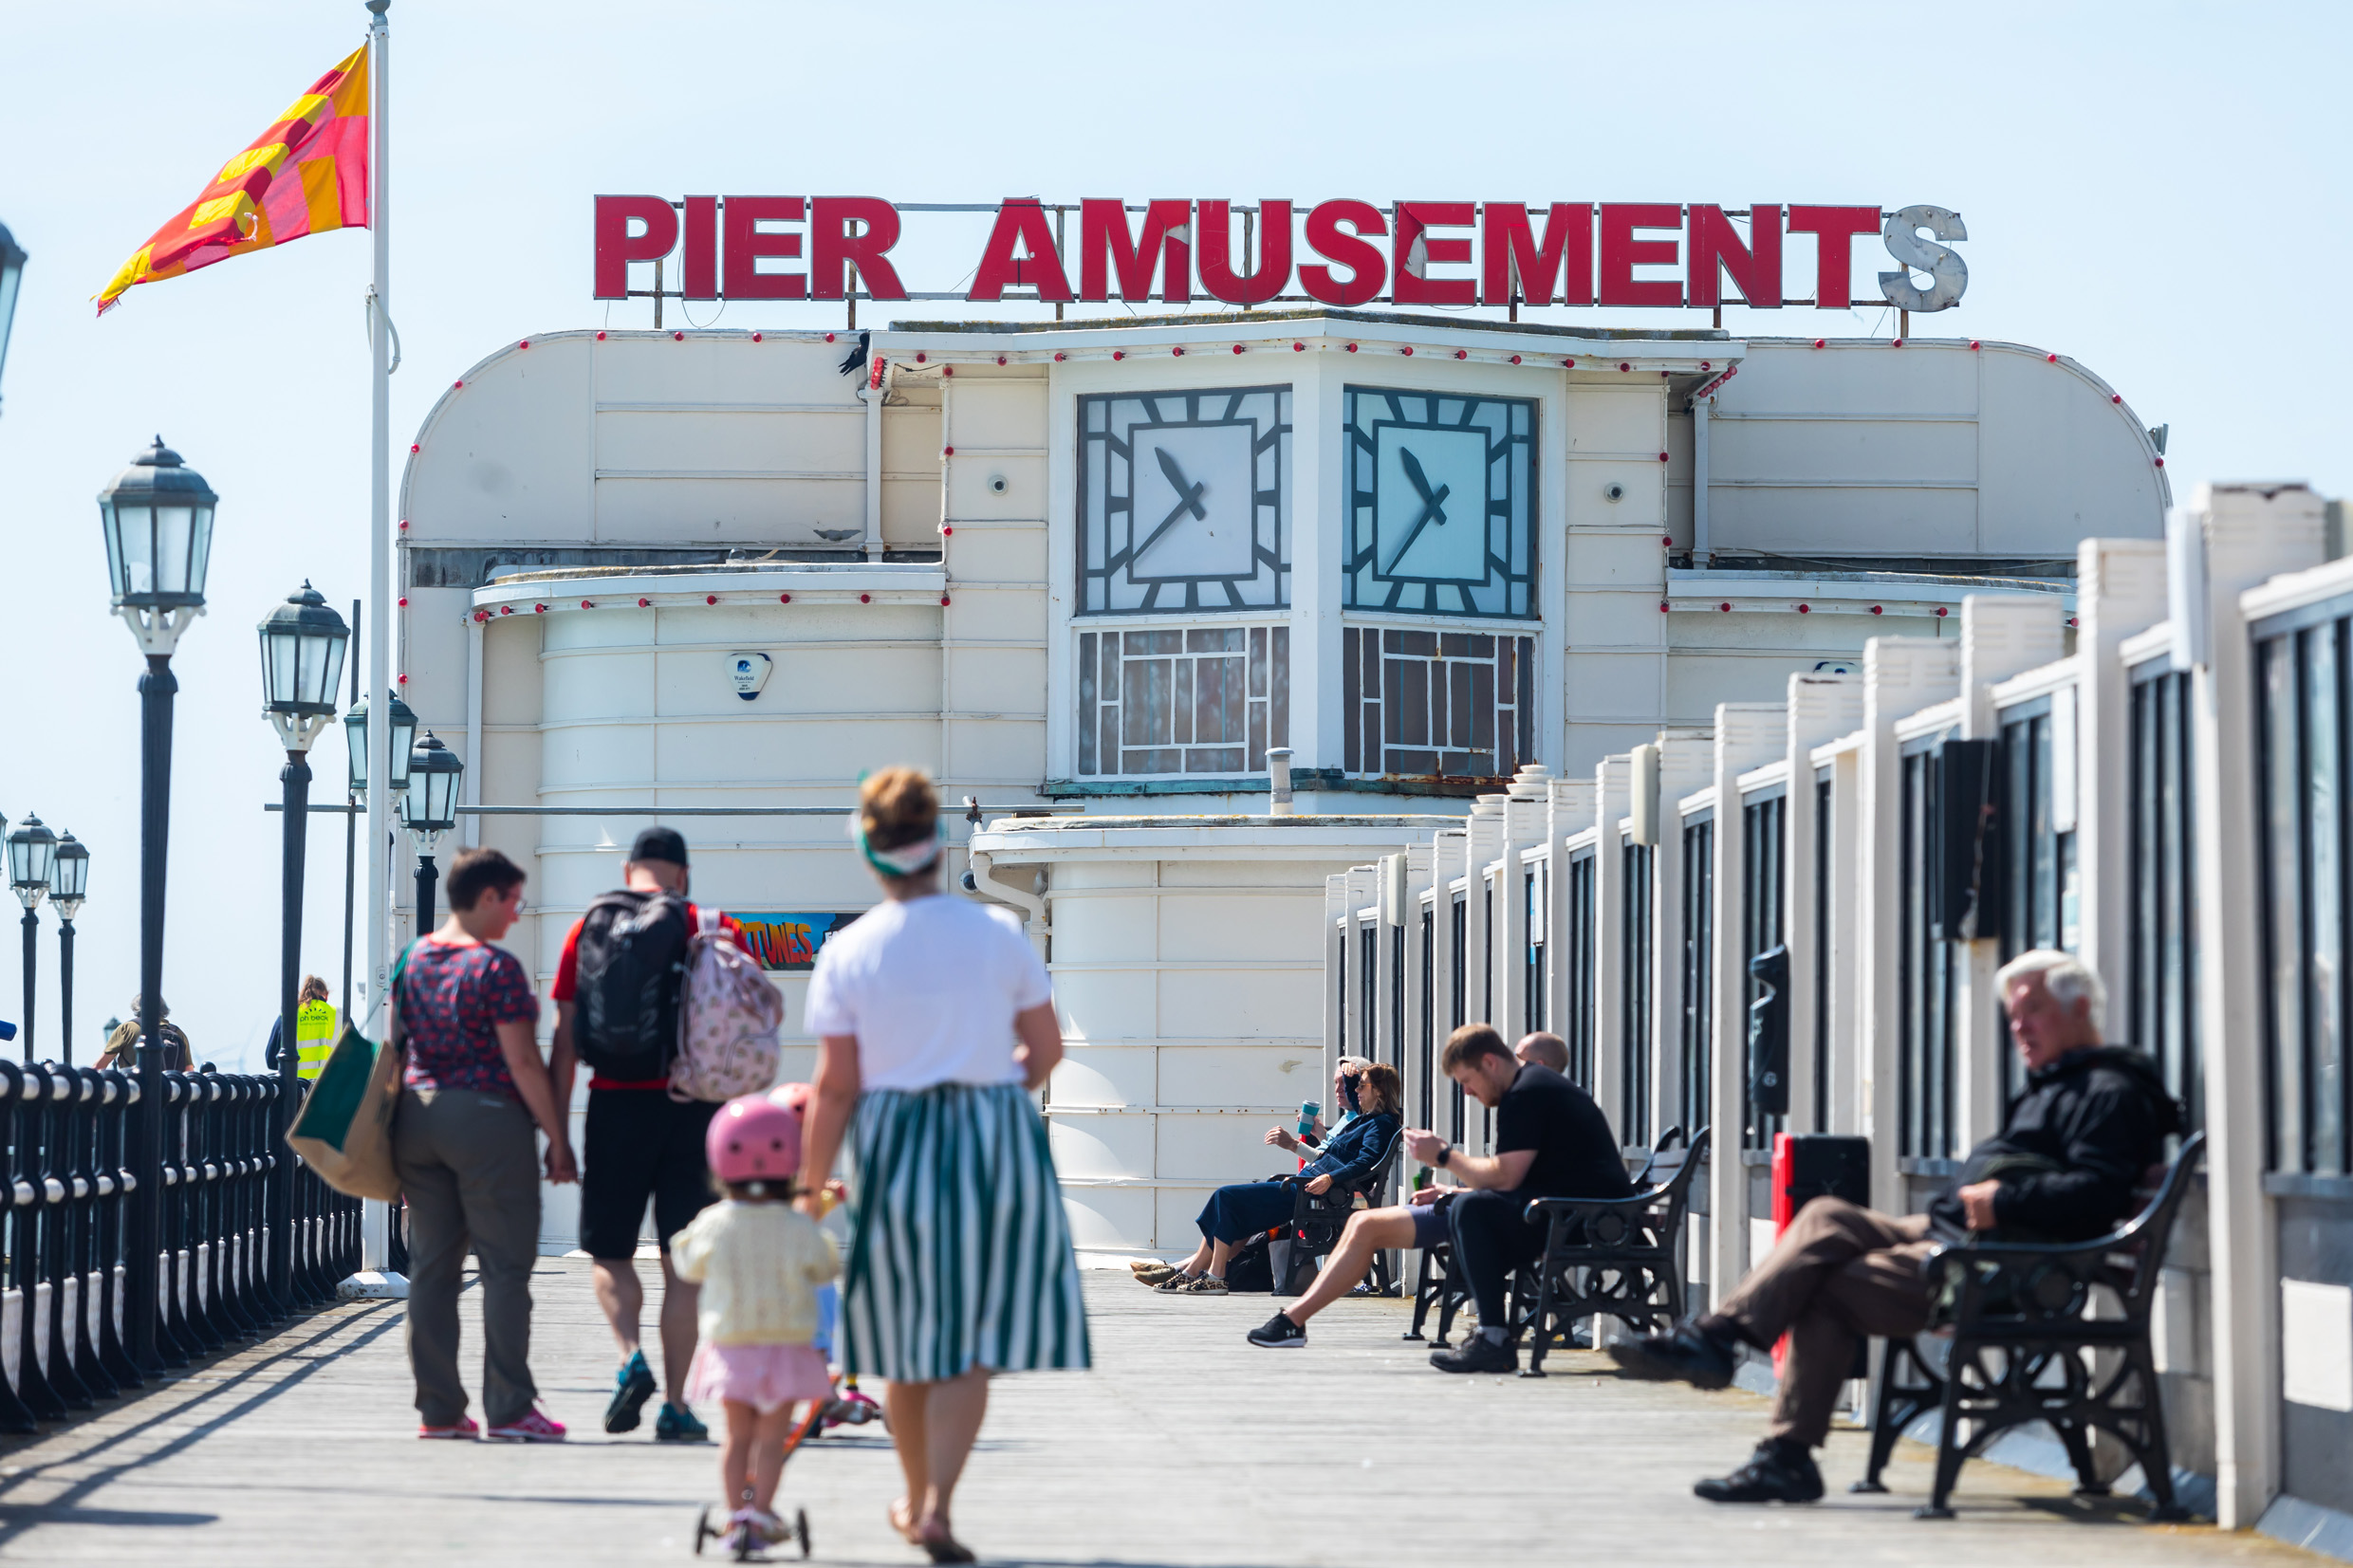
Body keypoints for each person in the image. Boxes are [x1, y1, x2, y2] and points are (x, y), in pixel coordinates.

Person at [1609, 950, 2183, 1504]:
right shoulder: (2059, 1084)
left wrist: (2006, 1201)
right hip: (1964, 1237)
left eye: (2032, 1011)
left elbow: (2097, 1194)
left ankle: (1783, 1451)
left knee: (1823, 1288)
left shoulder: (2109, 1093)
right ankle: (1716, 1340)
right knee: (1826, 1215)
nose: (2019, 1027)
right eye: (2013, 1016)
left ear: (2080, 1009)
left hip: (2010, 1268)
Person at [797, 766, 1087, 1565]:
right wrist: (994, 1090)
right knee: (970, 1339)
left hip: (895, 1138)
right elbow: (1049, 1048)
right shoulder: (997, 932)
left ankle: (916, 1496)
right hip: (992, 1132)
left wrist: (809, 1185)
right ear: (937, 845)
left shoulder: (851, 950)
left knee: (901, 1333)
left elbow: (836, 1085)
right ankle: (935, 1507)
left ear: (869, 849)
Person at [1246, 1024, 1630, 1367]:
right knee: (1365, 1223)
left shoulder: (1528, 1094)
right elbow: (1522, 1175)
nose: (1466, 1091)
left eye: (1467, 1079)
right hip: (1539, 1209)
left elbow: (1508, 1176)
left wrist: (1444, 1156)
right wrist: (1450, 1188)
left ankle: (1494, 1336)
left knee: (1470, 1209)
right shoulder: (1531, 1091)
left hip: (1573, 1220)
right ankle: (1293, 1321)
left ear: (1490, 1063)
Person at [549, 824, 750, 1443]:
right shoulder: (716, 927)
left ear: (630, 867)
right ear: (682, 875)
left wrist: (558, 1136)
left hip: (613, 1107)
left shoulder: (586, 929)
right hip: (694, 1110)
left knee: (610, 1253)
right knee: (683, 1267)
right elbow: (737, 1039)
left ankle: (629, 1355)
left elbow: (563, 1040)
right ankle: (677, 1406)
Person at [390, 846, 577, 1442]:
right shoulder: (495, 968)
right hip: (488, 1122)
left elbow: (393, 1053)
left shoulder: (411, 960)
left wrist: (385, 1138)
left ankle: (439, 1412)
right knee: (503, 1270)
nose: (518, 916)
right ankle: (511, 1407)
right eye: (515, 902)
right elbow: (522, 1060)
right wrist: (558, 1138)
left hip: (417, 1121)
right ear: (489, 896)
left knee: (431, 1272)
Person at [672, 1094, 840, 1555]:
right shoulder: (797, 1225)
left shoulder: (713, 1222)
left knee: (737, 1436)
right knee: (771, 1439)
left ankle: (735, 1516)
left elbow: (686, 1264)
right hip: (787, 1347)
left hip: (732, 1346)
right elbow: (826, 1267)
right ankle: (761, 1513)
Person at [1142, 1061, 1401, 1295]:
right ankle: (1198, 1272)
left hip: (1312, 1191)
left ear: (1378, 1090)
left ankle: (1215, 1275)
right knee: (1228, 1203)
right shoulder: (1366, 1120)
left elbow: (1365, 1162)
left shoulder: (1380, 1124)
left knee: (1226, 1196)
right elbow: (1354, 1106)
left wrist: (1331, 1179)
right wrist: (1349, 1072)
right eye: (1355, 1086)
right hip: (1306, 1186)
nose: (1356, 1091)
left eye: (1362, 1086)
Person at [263, 975, 337, 1080]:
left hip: (295, 1089)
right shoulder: (339, 1015)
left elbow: (271, 1061)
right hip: (328, 1089)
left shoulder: (287, 1016)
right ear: (326, 995)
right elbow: (356, 1056)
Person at [96, 996, 191, 1072]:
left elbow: (99, 1066)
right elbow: (189, 1071)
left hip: (136, 1091)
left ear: (136, 1008)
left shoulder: (128, 1028)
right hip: (170, 1092)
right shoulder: (177, 1032)